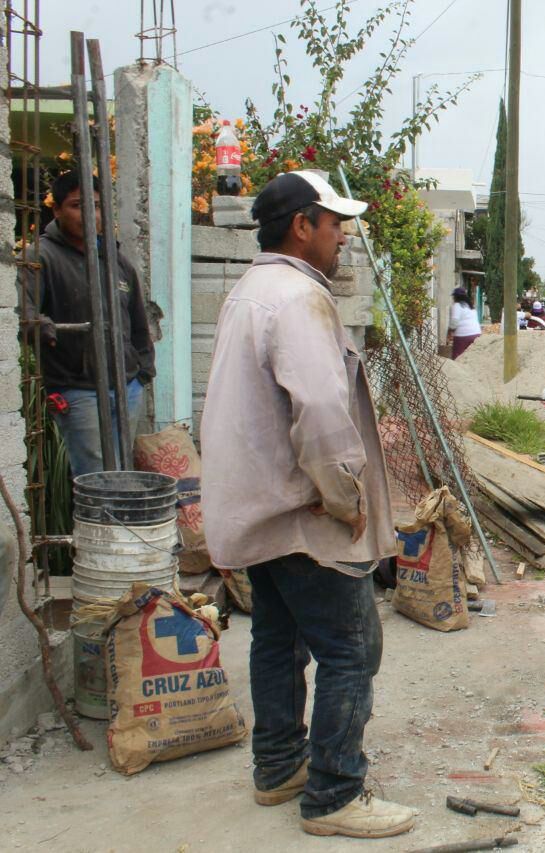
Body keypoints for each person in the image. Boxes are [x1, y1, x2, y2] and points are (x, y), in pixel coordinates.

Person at [202, 171, 413, 839]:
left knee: (277, 637)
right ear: (302, 225)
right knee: (352, 647)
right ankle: (334, 792)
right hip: (302, 511)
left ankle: (279, 767)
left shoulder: (252, 291)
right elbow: (320, 411)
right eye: (334, 223)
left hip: (258, 506)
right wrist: (344, 495)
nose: (342, 236)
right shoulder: (298, 300)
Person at [21, 171, 155, 477]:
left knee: (121, 467)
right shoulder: (41, 257)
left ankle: (117, 525)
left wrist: (143, 371)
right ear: (56, 210)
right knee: (94, 472)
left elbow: (137, 322)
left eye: (95, 206)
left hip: (126, 384)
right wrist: (42, 327)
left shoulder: (116, 260)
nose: (89, 215)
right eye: (77, 205)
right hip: (77, 388)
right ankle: (98, 526)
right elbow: (23, 310)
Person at [447, 286, 481, 358]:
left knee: (457, 357)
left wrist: (449, 332)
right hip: (476, 334)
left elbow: (454, 322)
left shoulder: (457, 306)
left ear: (456, 297)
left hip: (463, 336)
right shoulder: (471, 307)